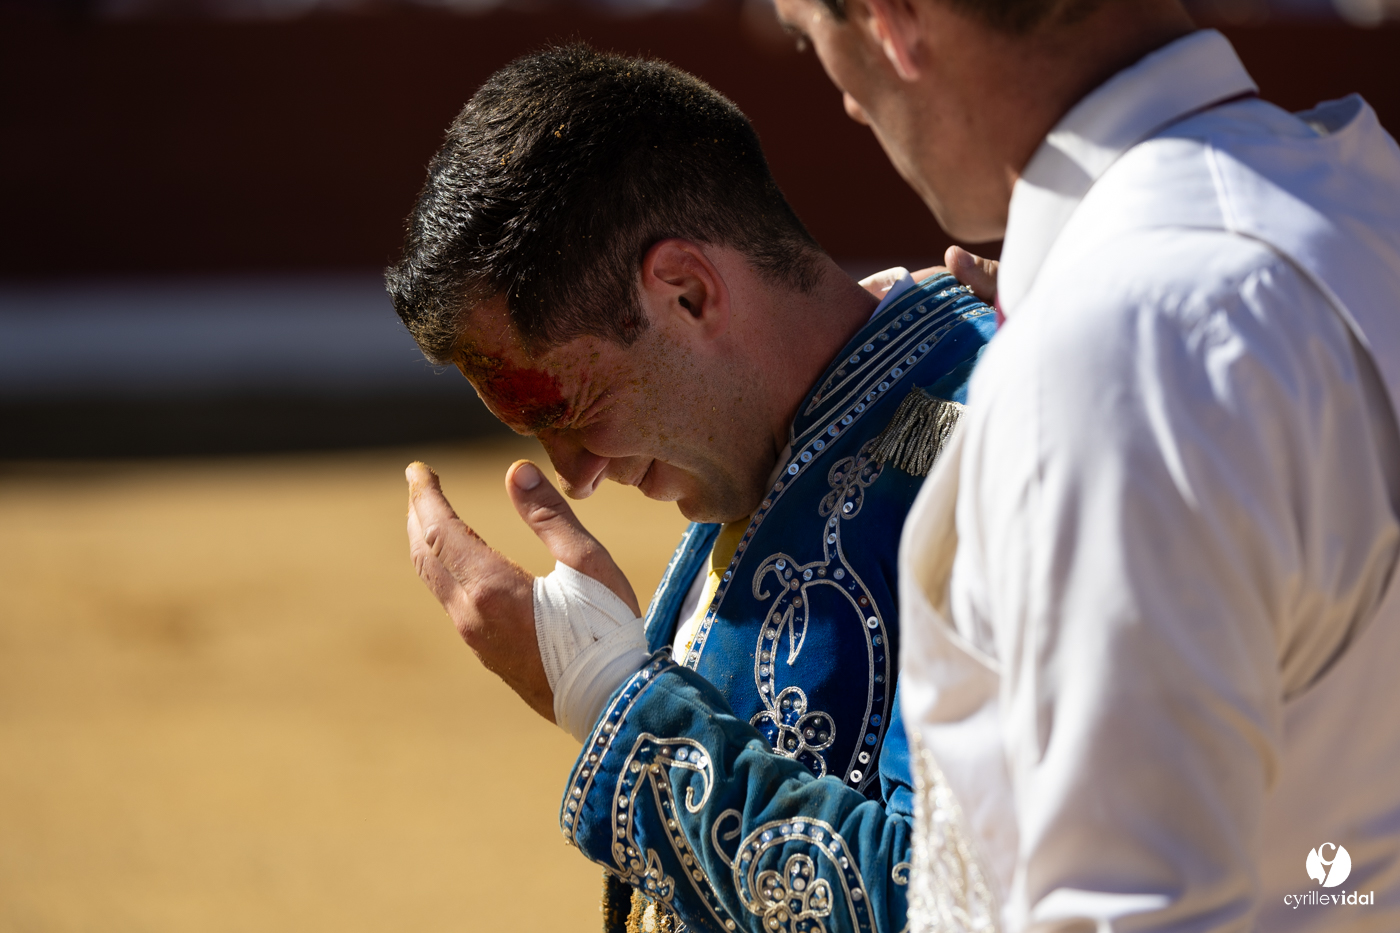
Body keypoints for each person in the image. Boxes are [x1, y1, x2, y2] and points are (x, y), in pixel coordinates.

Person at [764, 0, 1400, 928]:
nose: (851, 105)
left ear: (893, 20)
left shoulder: (1118, 344)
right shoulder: (1363, 181)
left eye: (809, 37)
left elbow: (1132, 912)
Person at [385, 45, 997, 932]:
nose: (579, 474)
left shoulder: (995, 448)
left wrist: (610, 701)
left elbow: (957, 908)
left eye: (574, 403)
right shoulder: (792, 430)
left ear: (687, 293)